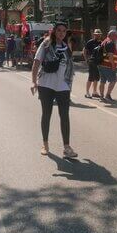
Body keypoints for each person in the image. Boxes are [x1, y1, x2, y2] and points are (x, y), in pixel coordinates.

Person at [30, 22, 77, 158]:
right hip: (46, 84)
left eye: (64, 31)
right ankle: (45, 144)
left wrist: (69, 84)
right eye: (59, 30)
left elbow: (69, 66)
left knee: (65, 116)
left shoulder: (66, 47)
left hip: (62, 86)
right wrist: (33, 81)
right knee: (47, 114)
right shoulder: (46, 44)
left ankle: (67, 148)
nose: (61, 33)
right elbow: (37, 62)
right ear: (54, 31)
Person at [97, 30, 117, 102]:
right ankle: (107, 95)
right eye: (115, 35)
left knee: (102, 81)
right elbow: (110, 56)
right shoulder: (111, 43)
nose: (116, 37)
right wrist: (113, 65)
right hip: (108, 65)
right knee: (113, 80)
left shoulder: (104, 41)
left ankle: (101, 96)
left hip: (101, 64)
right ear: (111, 35)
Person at [83, 29, 102, 98]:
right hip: (91, 61)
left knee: (96, 77)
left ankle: (94, 92)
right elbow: (84, 51)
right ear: (94, 35)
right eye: (96, 34)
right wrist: (86, 60)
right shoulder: (90, 42)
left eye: (99, 34)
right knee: (91, 77)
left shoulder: (101, 43)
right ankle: (87, 92)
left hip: (98, 62)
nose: (98, 35)